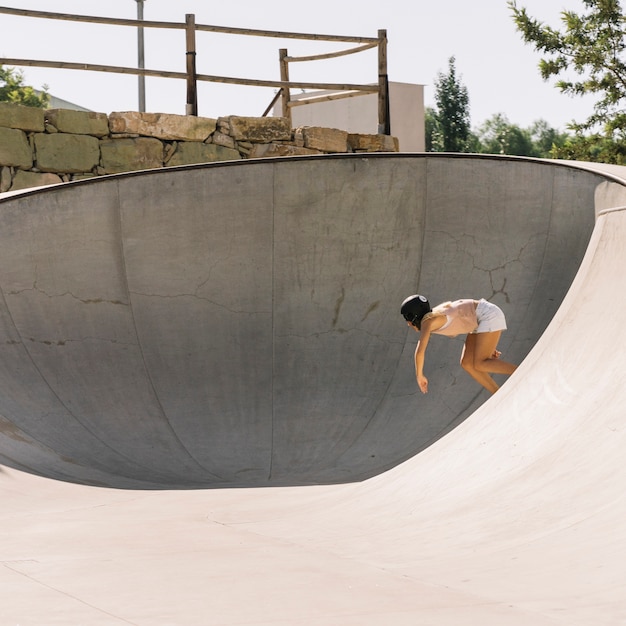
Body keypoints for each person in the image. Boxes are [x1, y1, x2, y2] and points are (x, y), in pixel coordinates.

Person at [400, 295, 517, 395]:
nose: (408, 324)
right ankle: (499, 394)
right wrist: (486, 344)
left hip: (487, 315)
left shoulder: (427, 322)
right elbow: (465, 316)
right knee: (467, 363)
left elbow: (420, 351)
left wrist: (419, 376)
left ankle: (524, 370)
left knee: (480, 363)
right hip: (479, 321)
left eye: (407, 319)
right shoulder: (433, 315)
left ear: (414, 317)